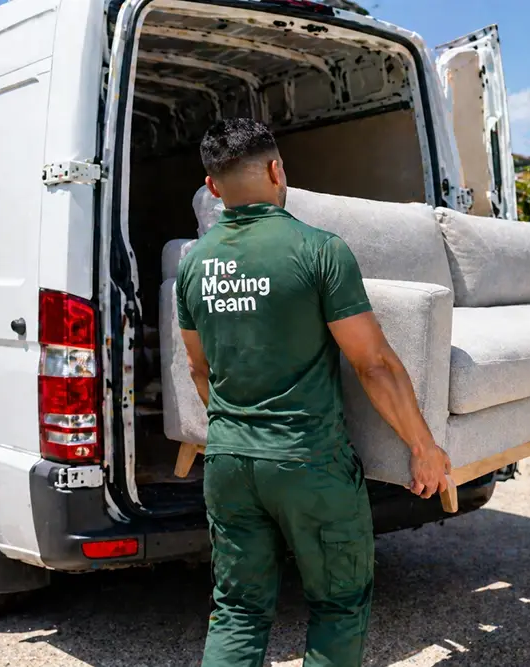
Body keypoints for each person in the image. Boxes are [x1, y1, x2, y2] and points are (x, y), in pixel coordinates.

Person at [175, 117, 452, 667]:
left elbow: (198, 369)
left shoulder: (194, 265)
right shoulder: (319, 249)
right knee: (338, 605)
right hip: (308, 461)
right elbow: (373, 364)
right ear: (278, 170)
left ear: (212, 186)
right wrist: (425, 447)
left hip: (229, 462)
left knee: (238, 611)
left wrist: (238, 434)